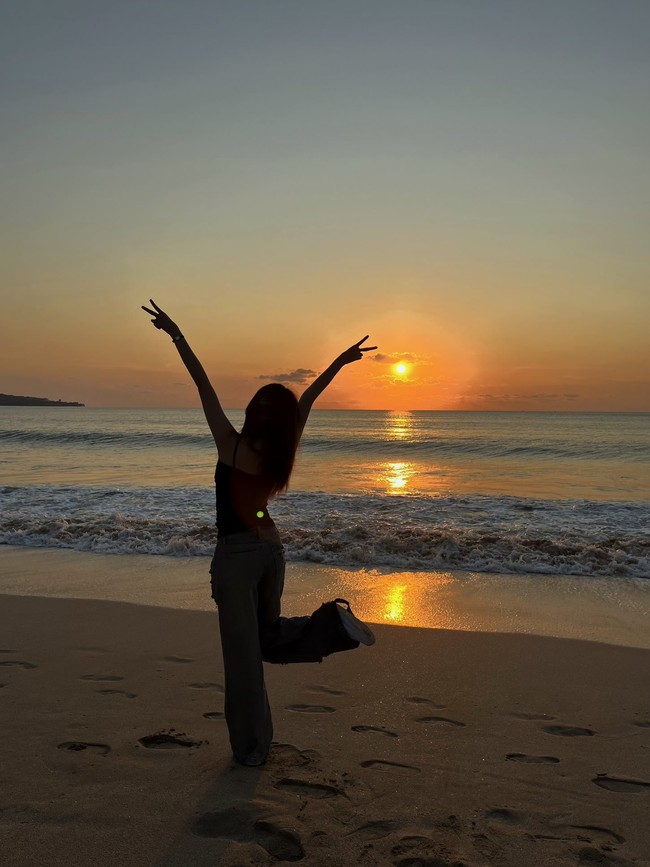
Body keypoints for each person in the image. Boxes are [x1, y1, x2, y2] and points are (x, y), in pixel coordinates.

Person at [141, 299, 377, 766]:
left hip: (237, 556)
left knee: (243, 661)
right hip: (272, 548)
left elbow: (202, 383)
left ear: (253, 414)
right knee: (266, 639)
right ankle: (330, 625)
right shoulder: (281, 451)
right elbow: (308, 399)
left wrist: (176, 334)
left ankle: (251, 750)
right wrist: (340, 362)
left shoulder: (231, 446)